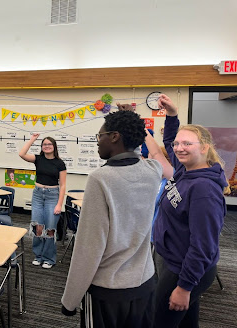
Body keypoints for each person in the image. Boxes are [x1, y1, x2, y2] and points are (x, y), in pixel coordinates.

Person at [61, 110, 162, 327]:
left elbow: (89, 247)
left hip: (108, 291)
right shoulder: (153, 170)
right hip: (145, 284)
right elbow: (141, 153)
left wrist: (70, 300)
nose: (98, 142)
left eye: (100, 136)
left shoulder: (101, 178)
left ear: (115, 136)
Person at [153, 94, 228, 328]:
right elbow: (168, 141)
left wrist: (185, 287)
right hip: (173, 260)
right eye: (178, 144)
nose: (178, 148)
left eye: (187, 144)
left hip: (183, 269)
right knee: (186, 323)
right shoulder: (185, 170)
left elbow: (204, 245)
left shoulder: (203, 189)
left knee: (158, 323)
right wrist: (172, 114)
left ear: (204, 147)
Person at [19, 133, 66, 269]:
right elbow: (22, 154)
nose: (47, 146)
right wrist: (32, 139)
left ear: (54, 146)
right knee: (38, 228)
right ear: (42, 147)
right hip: (38, 195)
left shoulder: (60, 163)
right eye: (44, 144)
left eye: (49, 144)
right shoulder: (38, 159)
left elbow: (63, 185)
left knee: (50, 229)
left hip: (53, 196)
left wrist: (59, 204)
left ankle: (49, 259)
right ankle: (38, 256)